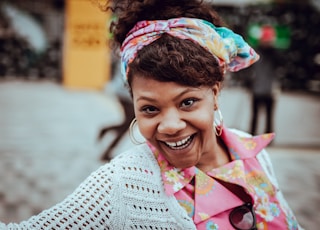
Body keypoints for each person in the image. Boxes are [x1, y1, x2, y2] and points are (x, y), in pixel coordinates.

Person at [1, 0, 303, 229]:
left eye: (187, 102)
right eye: (150, 109)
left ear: (215, 91)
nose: (170, 126)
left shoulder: (256, 155)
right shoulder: (123, 184)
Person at [250, 25, 280, 136]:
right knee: (255, 116)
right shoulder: (257, 52)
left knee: (269, 116)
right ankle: (252, 135)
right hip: (257, 88)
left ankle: (269, 136)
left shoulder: (274, 54)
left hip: (269, 89)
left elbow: (280, 63)